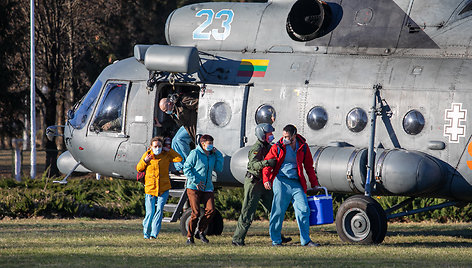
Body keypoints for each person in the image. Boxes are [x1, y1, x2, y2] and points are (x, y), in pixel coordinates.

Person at [232, 123, 292, 246]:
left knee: (272, 209)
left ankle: (278, 237)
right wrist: (267, 163)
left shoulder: (268, 147)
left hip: (264, 182)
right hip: (253, 183)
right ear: (262, 135)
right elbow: (253, 165)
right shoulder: (256, 148)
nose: (271, 136)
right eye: (269, 134)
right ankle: (237, 239)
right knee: (248, 211)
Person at [262, 124, 321, 247]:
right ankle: (276, 240)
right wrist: (266, 179)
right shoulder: (278, 146)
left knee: (304, 209)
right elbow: (267, 164)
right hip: (281, 181)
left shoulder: (303, 147)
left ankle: (306, 240)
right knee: (278, 211)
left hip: (296, 183)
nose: (285, 139)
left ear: (294, 135)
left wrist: (314, 184)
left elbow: (309, 167)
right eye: (283, 136)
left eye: (287, 136)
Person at [137, 136, 183, 240]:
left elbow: (179, 158)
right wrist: (145, 160)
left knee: (159, 211)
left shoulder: (166, 155)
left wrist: (169, 150)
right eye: (155, 146)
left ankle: (154, 234)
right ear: (151, 147)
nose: (157, 148)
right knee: (150, 212)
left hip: (163, 187)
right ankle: (146, 233)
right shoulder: (148, 155)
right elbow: (139, 168)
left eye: (159, 146)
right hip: (150, 188)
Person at [183, 134, 224, 245]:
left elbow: (219, 168)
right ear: (203, 144)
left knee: (211, 210)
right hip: (194, 187)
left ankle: (200, 231)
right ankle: (189, 236)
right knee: (195, 213)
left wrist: (218, 154)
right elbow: (186, 168)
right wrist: (195, 180)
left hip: (207, 187)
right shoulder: (195, 154)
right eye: (209, 143)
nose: (211, 145)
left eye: (212, 143)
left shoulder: (212, 155)